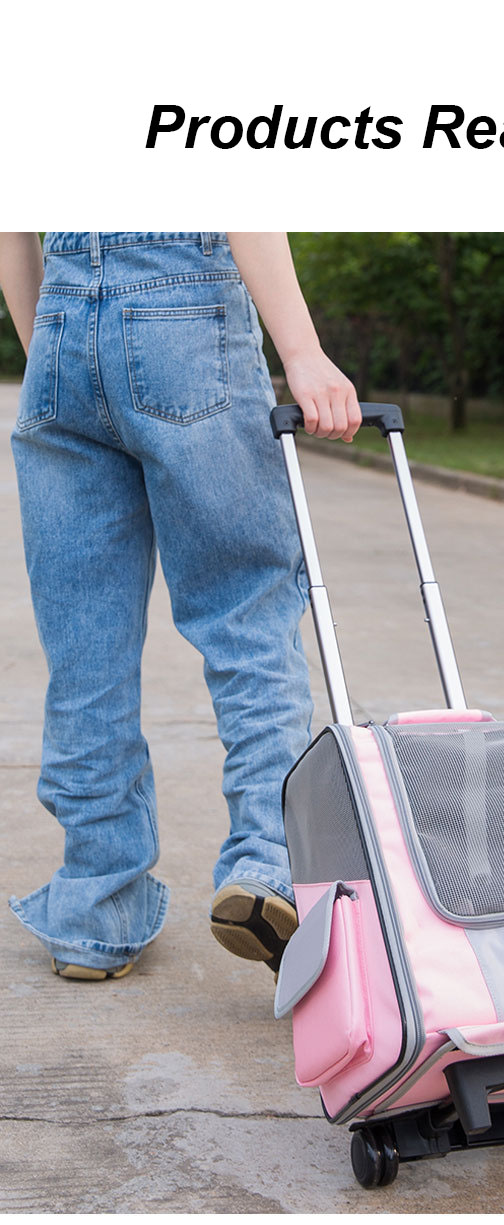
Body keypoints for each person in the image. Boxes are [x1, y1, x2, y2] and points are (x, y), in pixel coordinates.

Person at [0, 231, 361, 980]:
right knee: (245, 615)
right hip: (183, 309)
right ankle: (267, 859)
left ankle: (93, 907)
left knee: (84, 648)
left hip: (61, 330)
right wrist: (302, 350)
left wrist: (54, 350)